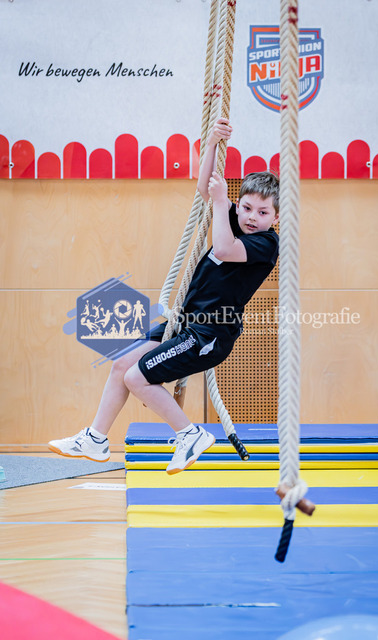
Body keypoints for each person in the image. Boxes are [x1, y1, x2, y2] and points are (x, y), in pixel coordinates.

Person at [48, 118, 279, 474]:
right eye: (246, 207)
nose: (251, 217)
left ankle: (190, 435)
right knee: (122, 364)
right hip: (187, 323)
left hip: (210, 333)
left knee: (137, 377)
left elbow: (224, 247)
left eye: (263, 213)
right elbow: (204, 189)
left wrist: (223, 203)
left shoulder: (266, 243)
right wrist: (213, 144)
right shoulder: (231, 216)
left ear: (275, 218)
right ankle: (95, 439)